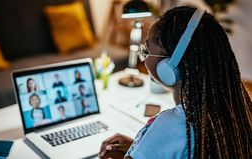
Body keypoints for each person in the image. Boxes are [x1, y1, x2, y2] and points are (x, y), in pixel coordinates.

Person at [99, 7, 252, 159]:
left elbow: (173, 139)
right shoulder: (238, 111)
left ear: (169, 67)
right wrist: (142, 147)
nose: (143, 55)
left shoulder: (171, 126)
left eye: (146, 50)